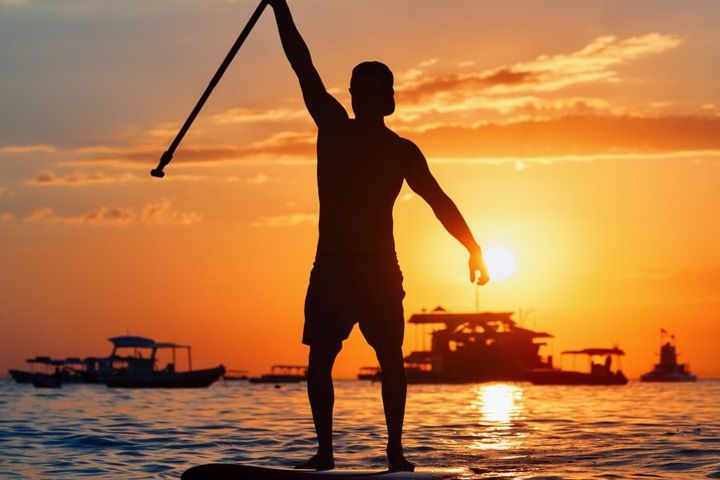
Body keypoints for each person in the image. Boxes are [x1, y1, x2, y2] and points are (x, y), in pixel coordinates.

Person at [265, 0, 490, 472]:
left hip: (378, 270)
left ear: (389, 100)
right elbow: (301, 63)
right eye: (356, 92)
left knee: (391, 358)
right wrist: (280, 7)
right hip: (331, 268)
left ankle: (395, 454)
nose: (363, 100)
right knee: (321, 359)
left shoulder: (402, 151)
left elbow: (439, 201)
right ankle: (324, 454)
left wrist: (473, 247)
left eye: (373, 93)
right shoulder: (332, 128)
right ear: (349, 97)